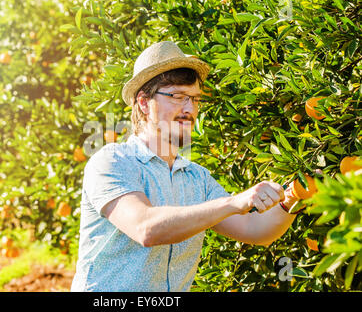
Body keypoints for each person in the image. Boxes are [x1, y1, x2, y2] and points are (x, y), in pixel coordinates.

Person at [70, 41, 301, 292]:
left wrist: (296, 196)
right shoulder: (113, 162)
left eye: (194, 99)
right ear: (145, 103)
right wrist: (234, 202)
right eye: (177, 97)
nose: (189, 109)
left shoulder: (196, 178)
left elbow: (255, 229)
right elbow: (146, 227)